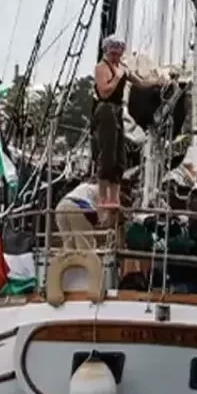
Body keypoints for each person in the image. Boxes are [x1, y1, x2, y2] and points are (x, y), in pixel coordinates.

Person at [92, 36, 153, 225]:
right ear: (107, 51)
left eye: (118, 52)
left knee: (119, 157)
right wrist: (117, 76)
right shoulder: (102, 68)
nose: (116, 55)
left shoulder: (123, 68)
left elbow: (139, 82)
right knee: (107, 153)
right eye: (113, 52)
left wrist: (158, 82)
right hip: (106, 109)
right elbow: (104, 91)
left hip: (118, 110)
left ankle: (114, 198)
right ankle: (103, 198)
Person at [56, 180, 101, 251]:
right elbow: (102, 211)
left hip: (61, 206)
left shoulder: (81, 187)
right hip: (78, 206)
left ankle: (70, 260)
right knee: (84, 248)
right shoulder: (100, 187)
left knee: (69, 246)